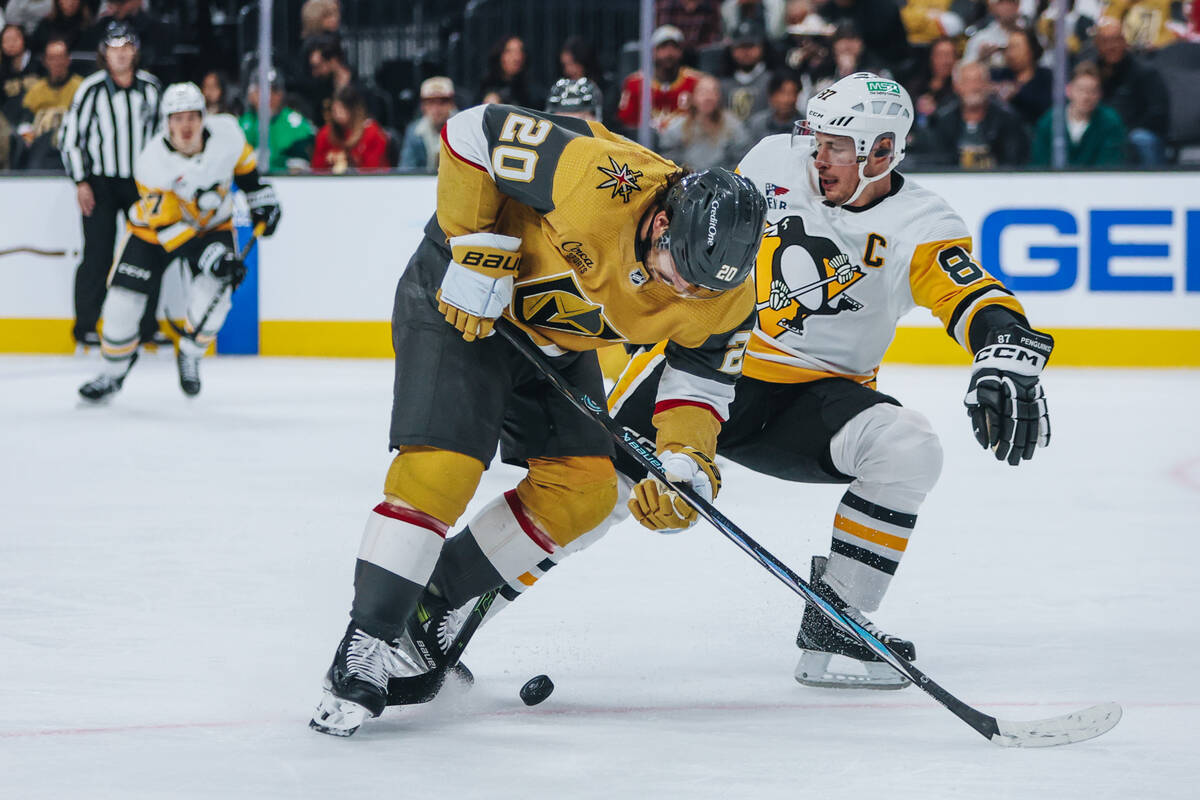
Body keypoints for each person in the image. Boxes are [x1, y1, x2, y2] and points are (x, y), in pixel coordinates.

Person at [438, 71, 1055, 693]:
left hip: (818, 402)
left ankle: (837, 624)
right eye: (818, 139)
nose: (821, 156)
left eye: (841, 146)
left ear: (884, 151)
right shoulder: (772, 159)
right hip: (711, 370)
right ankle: (454, 616)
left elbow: (971, 293)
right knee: (596, 496)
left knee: (909, 447)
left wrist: (1002, 349)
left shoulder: (922, 221)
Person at [308, 102, 768, 737]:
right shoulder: (599, 177)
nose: (686, 296)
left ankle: (428, 608)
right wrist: (471, 247)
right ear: (660, 222)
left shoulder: (726, 292)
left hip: (556, 339)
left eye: (705, 289)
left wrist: (687, 461)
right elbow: (474, 130)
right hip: (459, 300)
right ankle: (366, 644)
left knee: (584, 494)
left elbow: (701, 381)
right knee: (444, 468)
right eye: (681, 276)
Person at [77, 82, 281, 402]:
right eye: (177, 118)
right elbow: (171, 231)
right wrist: (213, 257)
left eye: (192, 117)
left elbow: (247, 175)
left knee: (215, 296)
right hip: (152, 233)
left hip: (213, 225)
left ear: (204, 116)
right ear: (165, 122)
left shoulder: (227, 135)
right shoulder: (151, 163)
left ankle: (189, 354)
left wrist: (264, 203)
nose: (185, 126)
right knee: (121, 307)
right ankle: (112, 373)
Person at [58, 21, 161, 351]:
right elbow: (70, 138)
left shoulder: (151, 88)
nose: (120, 55)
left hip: (141, 184)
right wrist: (81, 181)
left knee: (148, 251)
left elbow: (162, 140)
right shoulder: (91, 89)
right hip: (101, 182)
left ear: (135, 51)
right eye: (114, 49)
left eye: (126, 48)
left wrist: (161, 182)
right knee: (98, 254)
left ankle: (146, 326)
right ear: (104, 53)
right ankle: (86, 325)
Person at [1090, 17, 1169, 166]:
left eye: (1116, 40)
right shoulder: (1091, 72)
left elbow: (1158, 113)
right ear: (1096, 44)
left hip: (1135, 132)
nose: (1111, 46)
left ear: (1125, 42)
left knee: (1141, 139)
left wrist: (1124, 131)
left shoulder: (1145, 72)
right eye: (1105, 41)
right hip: (1101, 132)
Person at [922, 60, 1030, 167]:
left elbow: (1014, 162)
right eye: (968, 81)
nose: (974, 87)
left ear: (988, 84)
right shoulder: (942, 120)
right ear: (957, 86)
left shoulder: (1008, 120)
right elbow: (936, 162)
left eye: (979, 81)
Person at [1031, 61, 1125, 166]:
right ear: (1069, 90)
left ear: (1100, 94)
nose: (1086, 97)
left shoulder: (1110, 122)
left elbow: (1110, 164)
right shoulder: (1050, 121)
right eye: (1081, 90)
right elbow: (1039, 163)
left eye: (1092, 91)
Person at [616, 24, 703, 133]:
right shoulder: (635, 83)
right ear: (653, 52)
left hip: (684, 145)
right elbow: (626, 124)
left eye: (674, 47)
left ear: (681, 52)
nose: (669, 53)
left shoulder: (696, 82)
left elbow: (704, 122)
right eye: (663, 47)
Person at [659, 72, 751, 169]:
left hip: (724, 180)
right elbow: (669, 162)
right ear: (693, 97)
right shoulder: (677, 127)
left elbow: (741, 160)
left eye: (713, 92)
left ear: (719, 97)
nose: (708, 97)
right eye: (703, 92)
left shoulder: (733, 125)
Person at [15, 36, 80, 168]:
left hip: (72, 142)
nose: (57, 62)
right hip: (40, 146)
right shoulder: (36, 90)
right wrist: (28, 137)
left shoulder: (81, 87)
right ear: (45, 61)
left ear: (68, 60)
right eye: (52, 58)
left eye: (60, 57)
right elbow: (24, 122)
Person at [238, 69, 316, 173]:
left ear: (279, 95)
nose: (267, 96)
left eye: (273, 90)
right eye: (257, 90)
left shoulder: (296, 124)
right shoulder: (243, 123)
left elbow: (299, 170)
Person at [311, 83, 390, 173]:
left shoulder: (372, 133)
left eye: (341, 110)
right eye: (334, 110)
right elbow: (317, 169)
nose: (337, 115)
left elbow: (372, 169)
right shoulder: (325, 134)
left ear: (353, 110)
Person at [992, 28, 1051, 128]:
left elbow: (1046, 107)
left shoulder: (1046, 78)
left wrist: (1017, 94)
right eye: (1008, 48)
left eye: (1015, 47)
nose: (1010, 53)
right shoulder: (998, 75)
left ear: (1031, 50)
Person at [399, 75, 457, 172]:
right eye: (431, 103)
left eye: (442, 102)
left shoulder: (464, 128)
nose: (436, 109)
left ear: (451, 104)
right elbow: (406, 170)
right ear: (423, 106)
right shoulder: (414, 132)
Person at [721, 19, 772, 122]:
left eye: (751, 46)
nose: (746, 52)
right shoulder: (721, 83)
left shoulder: (773, 80)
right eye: (740, 47)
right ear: (731, 50)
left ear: (762, 47)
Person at [477, 34, 544, 109]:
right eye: (509, 52)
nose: (516, 58)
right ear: (500, 55)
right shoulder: (485, 86)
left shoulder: (532, 92)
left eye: (520, 52)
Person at [963, 0, 1025, 70]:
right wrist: (981, 58)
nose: (1007, 7)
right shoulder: (980, 39)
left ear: (1018, 5)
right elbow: (965, 71)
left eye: (1011, 2)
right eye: (1001, 3)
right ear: (991, 8)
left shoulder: (1028, 34)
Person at [745, 70, 800, 141]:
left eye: (792, 93)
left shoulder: (805, 126)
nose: (786, 100)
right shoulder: (756, 124)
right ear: (771, 95)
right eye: (781, 92)